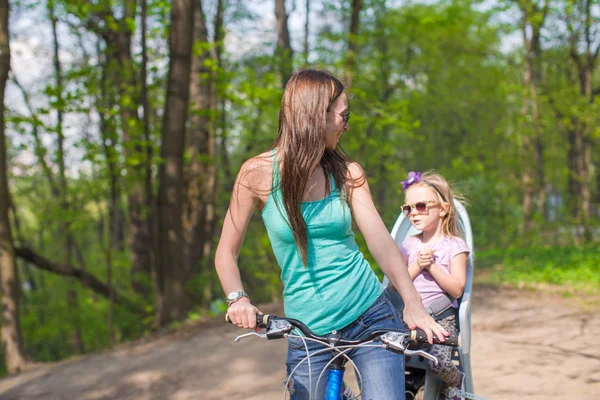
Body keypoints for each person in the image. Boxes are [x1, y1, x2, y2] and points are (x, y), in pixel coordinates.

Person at [215, 68, 447, 399]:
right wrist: (238, 298)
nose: (347, 125)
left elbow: (380, 242)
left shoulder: (348, 173)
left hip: (370, 317)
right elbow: (226, 252)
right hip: (307, 331)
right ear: (314, 116)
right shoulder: (256, 174)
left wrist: (412, 303)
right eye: (343, 116)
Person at [399, 171, 469, 400]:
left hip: (442, 320)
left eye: (421, 206)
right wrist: (418, 265)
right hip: (408, 318)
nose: (413, 213)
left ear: (443, 209)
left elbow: (457, 289)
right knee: (382, 355)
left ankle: (454, 380)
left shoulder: (454, 245)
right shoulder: (409, 244)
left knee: (438, 362)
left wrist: (433, 267)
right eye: (408, 208)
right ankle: (411, 384)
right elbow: (394, 285)